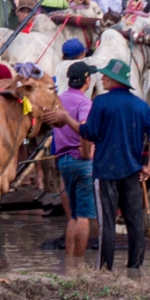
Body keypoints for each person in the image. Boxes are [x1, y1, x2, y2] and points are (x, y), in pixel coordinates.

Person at [76, 59, 150, 271]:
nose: (102, 78)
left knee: (107, 223)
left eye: (105, 76)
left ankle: (105, 269)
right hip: (133, 172)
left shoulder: (101, 102)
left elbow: (90, 133)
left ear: (114, 80)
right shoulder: (141, 106)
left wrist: (72, 124)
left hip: (105, 172)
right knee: (135, 222)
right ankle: (135, 268)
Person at [52, 62, 98, 264]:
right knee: (84, 216)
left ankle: (69, 262)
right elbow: (84, 129)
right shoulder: (85, 103)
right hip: (81, 162)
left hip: (63, 162)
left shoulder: (59, 101)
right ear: (87, 80)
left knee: (72, 215)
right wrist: (87, 154)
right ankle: (79, 265)